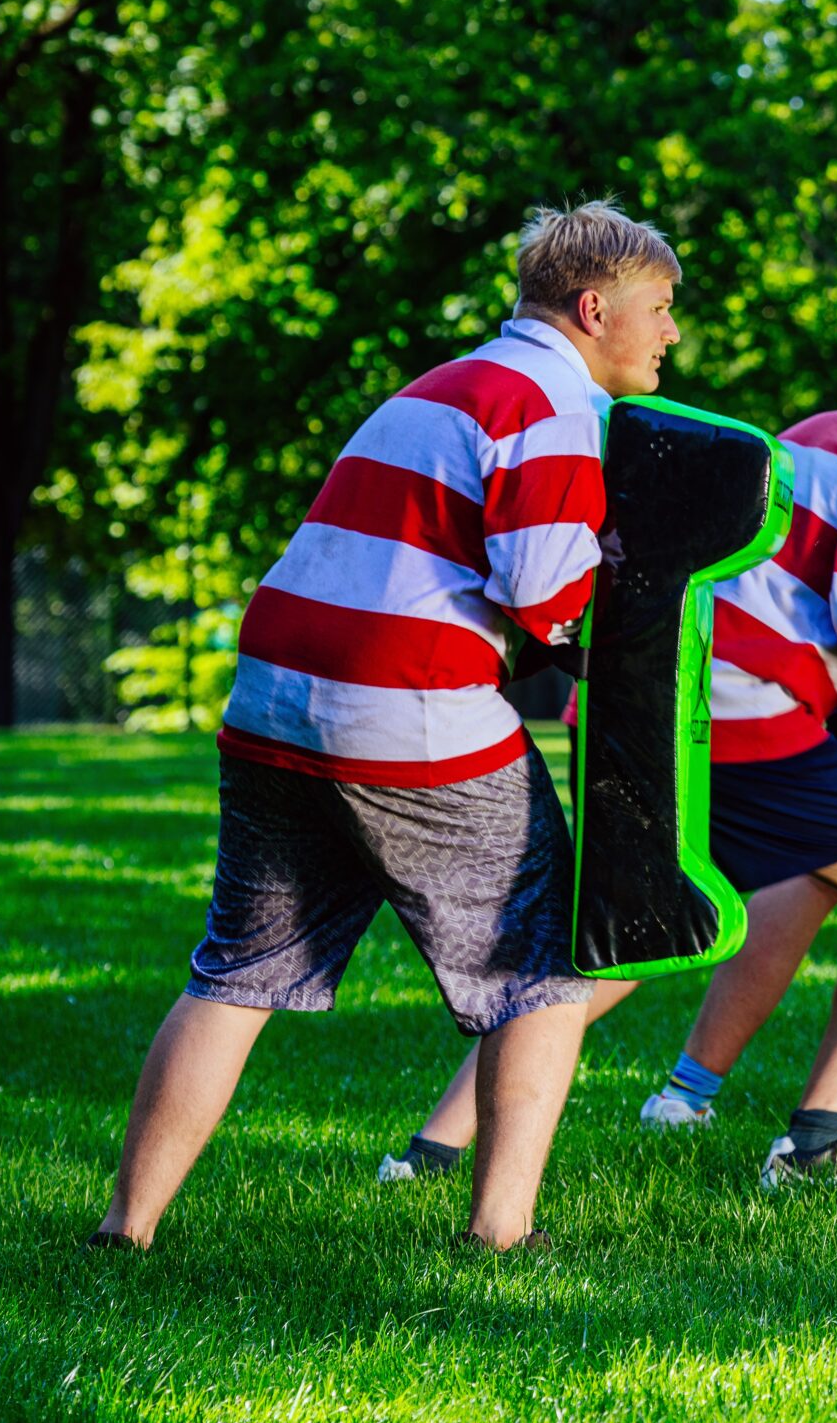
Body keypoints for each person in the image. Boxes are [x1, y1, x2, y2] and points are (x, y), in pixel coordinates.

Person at [382, 279, 837, 1190]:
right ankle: (814, 1144)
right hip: (743, 704)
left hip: (667, 689)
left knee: (647, 926)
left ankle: (430, 1153)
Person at [92, 199, 680, 1251]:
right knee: (547, 969)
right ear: (596, 309)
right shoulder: (549, 402)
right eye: (661, 308)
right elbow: (546, 594)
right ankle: (502, 1233)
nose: (671, 333)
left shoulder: (440, 385)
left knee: (236, 974)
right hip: (405, 710)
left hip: (274, 699)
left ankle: (125, 1228)